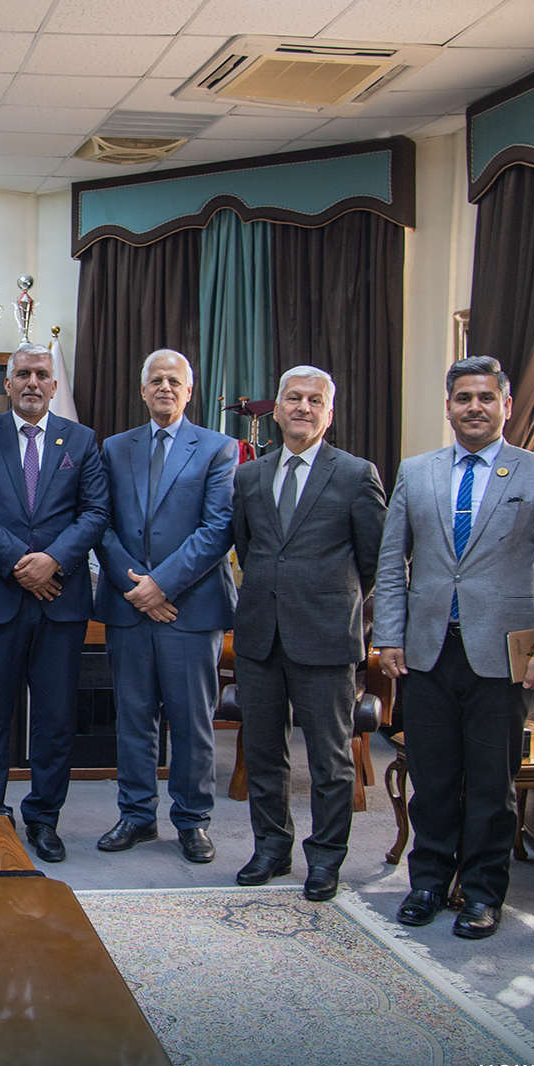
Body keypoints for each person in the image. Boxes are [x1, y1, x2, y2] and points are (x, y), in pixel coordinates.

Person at [375, 356, 534, 940]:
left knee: (492, 785)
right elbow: (392, 563)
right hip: (426, 653)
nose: (475, 407)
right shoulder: (416, 472)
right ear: (448, 407)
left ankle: (483, 893)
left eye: (486, 398)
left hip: (504, 658)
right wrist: (387, 634)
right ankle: (427, 883)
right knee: (432, 779)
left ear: (506, 406)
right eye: (463, 398)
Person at [228, 366, 385, 902]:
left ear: (329, 413)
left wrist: (337, 606)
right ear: (277, 409)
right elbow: (249, 550)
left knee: (330, 760)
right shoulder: (250, 476)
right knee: (264, 753)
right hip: (260, 638)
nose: (302, 407)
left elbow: (377, 561)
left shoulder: (356, 475)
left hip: (325, 638)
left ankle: (325, 859)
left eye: (315, 400)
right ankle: (271, 849)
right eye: (293, 398)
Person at [0, 344, 108, 862]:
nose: (32, 383)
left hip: (60, 599)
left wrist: (53, 561)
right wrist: (22, 562)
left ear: (55, 385)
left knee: (55, 719)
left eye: (42, 374)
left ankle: (44, 818)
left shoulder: (81, 440)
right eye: (22, 374)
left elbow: (95, 512)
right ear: (8, 384)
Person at [93, 349, 238, 864]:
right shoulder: (114, 448)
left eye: (174, 381)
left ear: (189, 391)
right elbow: (100, 522)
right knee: (133, 717)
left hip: (190, 609)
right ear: (142, 390)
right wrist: (138, 586)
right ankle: (136, 815)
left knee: (191, 721)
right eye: (156, 380)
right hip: (128, 604)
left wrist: (163, 586)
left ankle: (193, 820)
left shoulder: (219, 448)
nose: (165, 388)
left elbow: (218, 528)